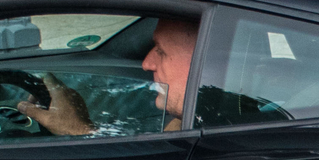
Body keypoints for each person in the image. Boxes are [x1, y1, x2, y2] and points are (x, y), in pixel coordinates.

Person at [18, 17, 197, 136]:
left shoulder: (218, 143)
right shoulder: (183, 125)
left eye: (161, 51)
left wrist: (77, 130)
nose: (147, 64)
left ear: (203, 57)